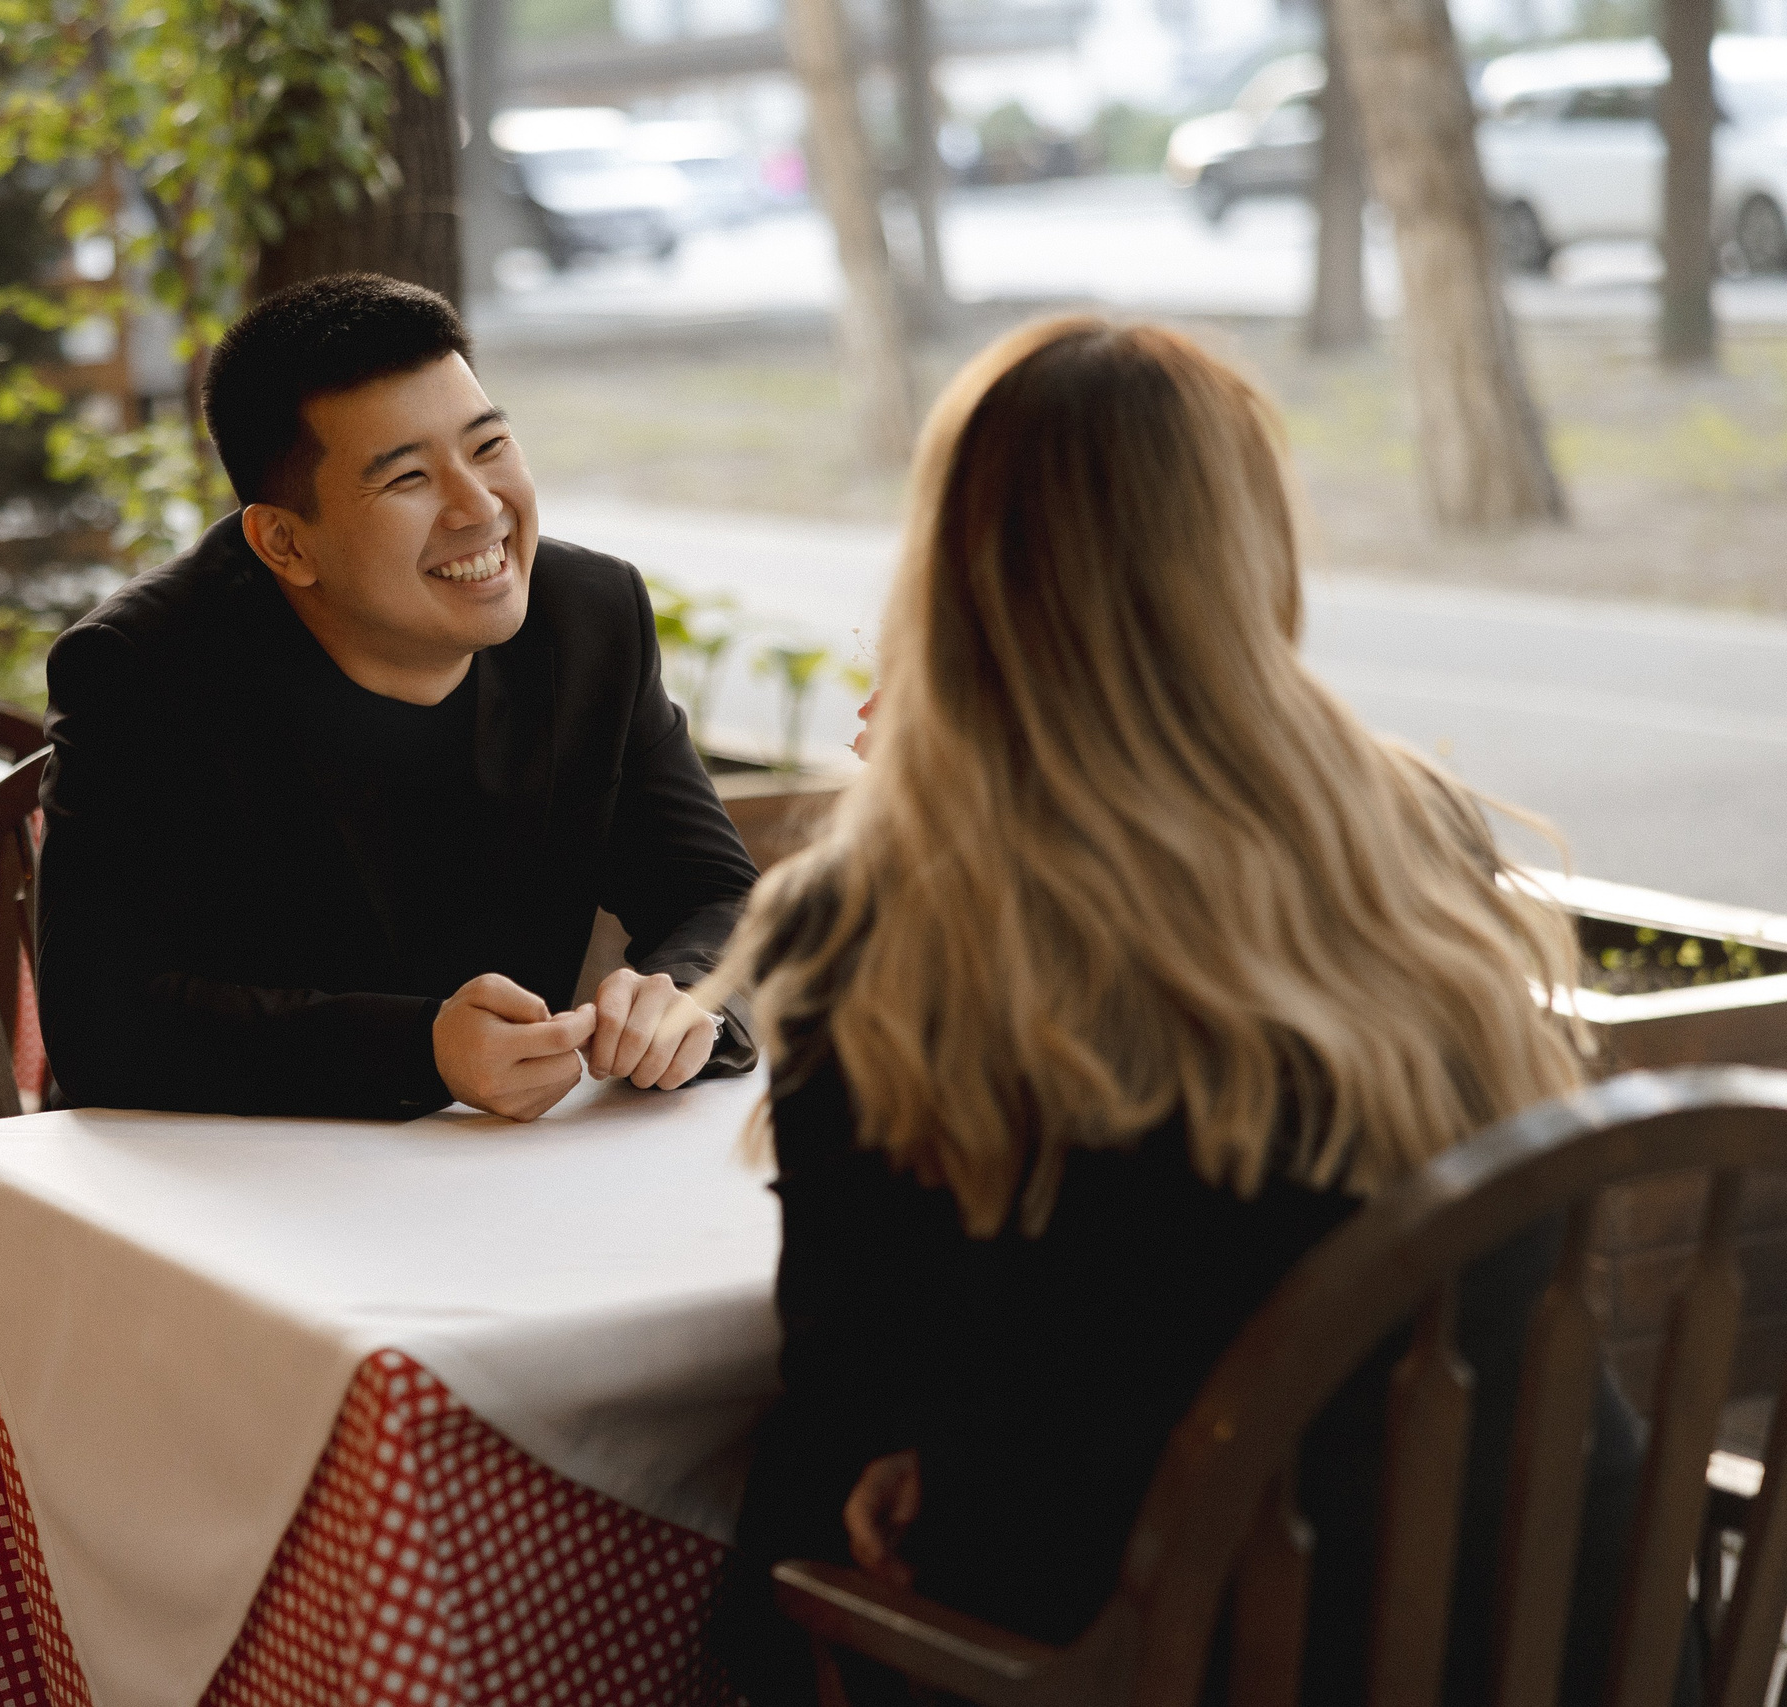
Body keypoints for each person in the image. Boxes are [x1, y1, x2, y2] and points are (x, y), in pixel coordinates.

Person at [707, 317, 1681, 1705]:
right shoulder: (1408, 832)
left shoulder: (887, 919)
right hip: (1570, 1622)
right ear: (1249, 550)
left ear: (955, 570)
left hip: (1195, 1657)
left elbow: (850, 1391)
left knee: (787, 1577)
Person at [34, 273, 759, 1121]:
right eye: (409, 478)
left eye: (489, 446)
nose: (480, 506)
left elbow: (720, 894)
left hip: (508, 1169)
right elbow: (103, 1023)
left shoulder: (590, 617)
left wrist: (686, 999)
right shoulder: (143, 668)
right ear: (283, 541)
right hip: (225, 1172)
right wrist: (423, 1049)